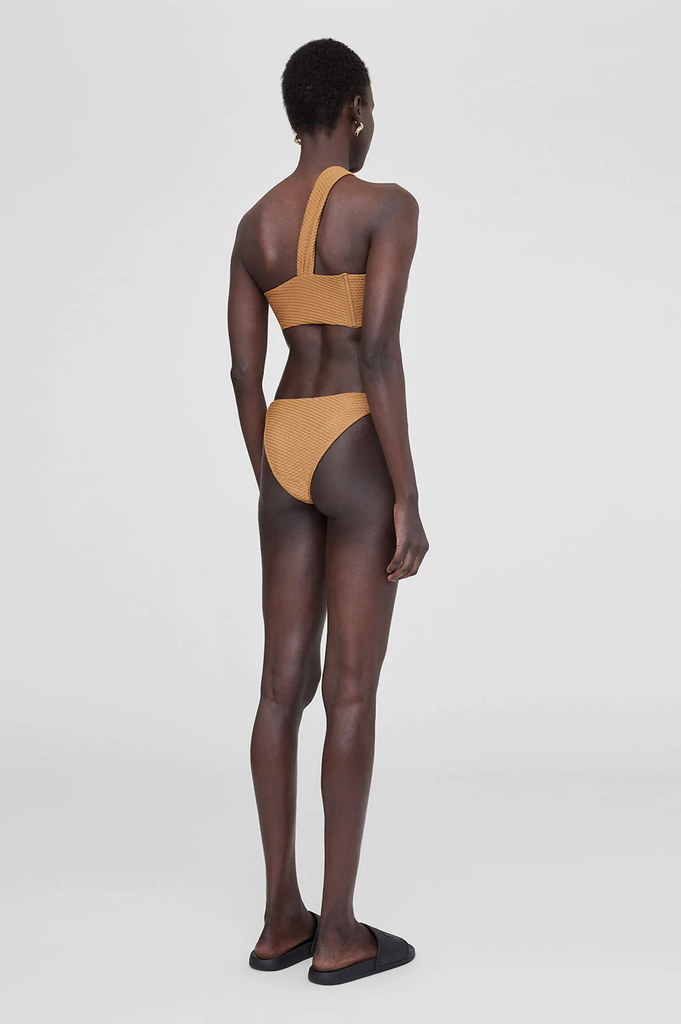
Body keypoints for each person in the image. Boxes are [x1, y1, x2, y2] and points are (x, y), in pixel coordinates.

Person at [227, 37, 429, 986]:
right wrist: (407, 495)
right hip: (351, 433)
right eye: (369, 108)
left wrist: (271, 473)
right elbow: (378, 351)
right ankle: (338, 933)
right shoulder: (384, 206)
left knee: (280, 689)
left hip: (284, 437)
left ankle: (279, 920)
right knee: (349, 688)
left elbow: (242, 372)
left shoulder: (254, 226)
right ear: (353, 108)